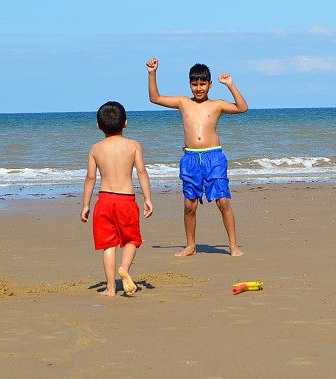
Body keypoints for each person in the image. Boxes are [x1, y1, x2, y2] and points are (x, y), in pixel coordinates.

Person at [146, 57, 247, 257]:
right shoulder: (183, 103)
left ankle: (233, 245)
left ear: (210, 84)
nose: (198, 88)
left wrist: (230, 84)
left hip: (214, 157)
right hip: (191, 158)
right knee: (189, 205)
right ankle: (190, 245)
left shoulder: (217, 105)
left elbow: (242, 107)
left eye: (202, 84)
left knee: (223, 202)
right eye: (194, 84)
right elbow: (155, 98)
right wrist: (152, 73)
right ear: (190, 84)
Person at [80, 101, 153, 296]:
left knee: (108, 245)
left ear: (98, 125)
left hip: (104, 201)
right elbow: (142, 172)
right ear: (125, 123)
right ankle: (125, 269)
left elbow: (90, 178)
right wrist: (147, 198)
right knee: (131, 240)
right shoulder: (133, 145)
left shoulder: (95, 149)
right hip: (126, 200)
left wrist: (86, 204)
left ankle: (111, 288)